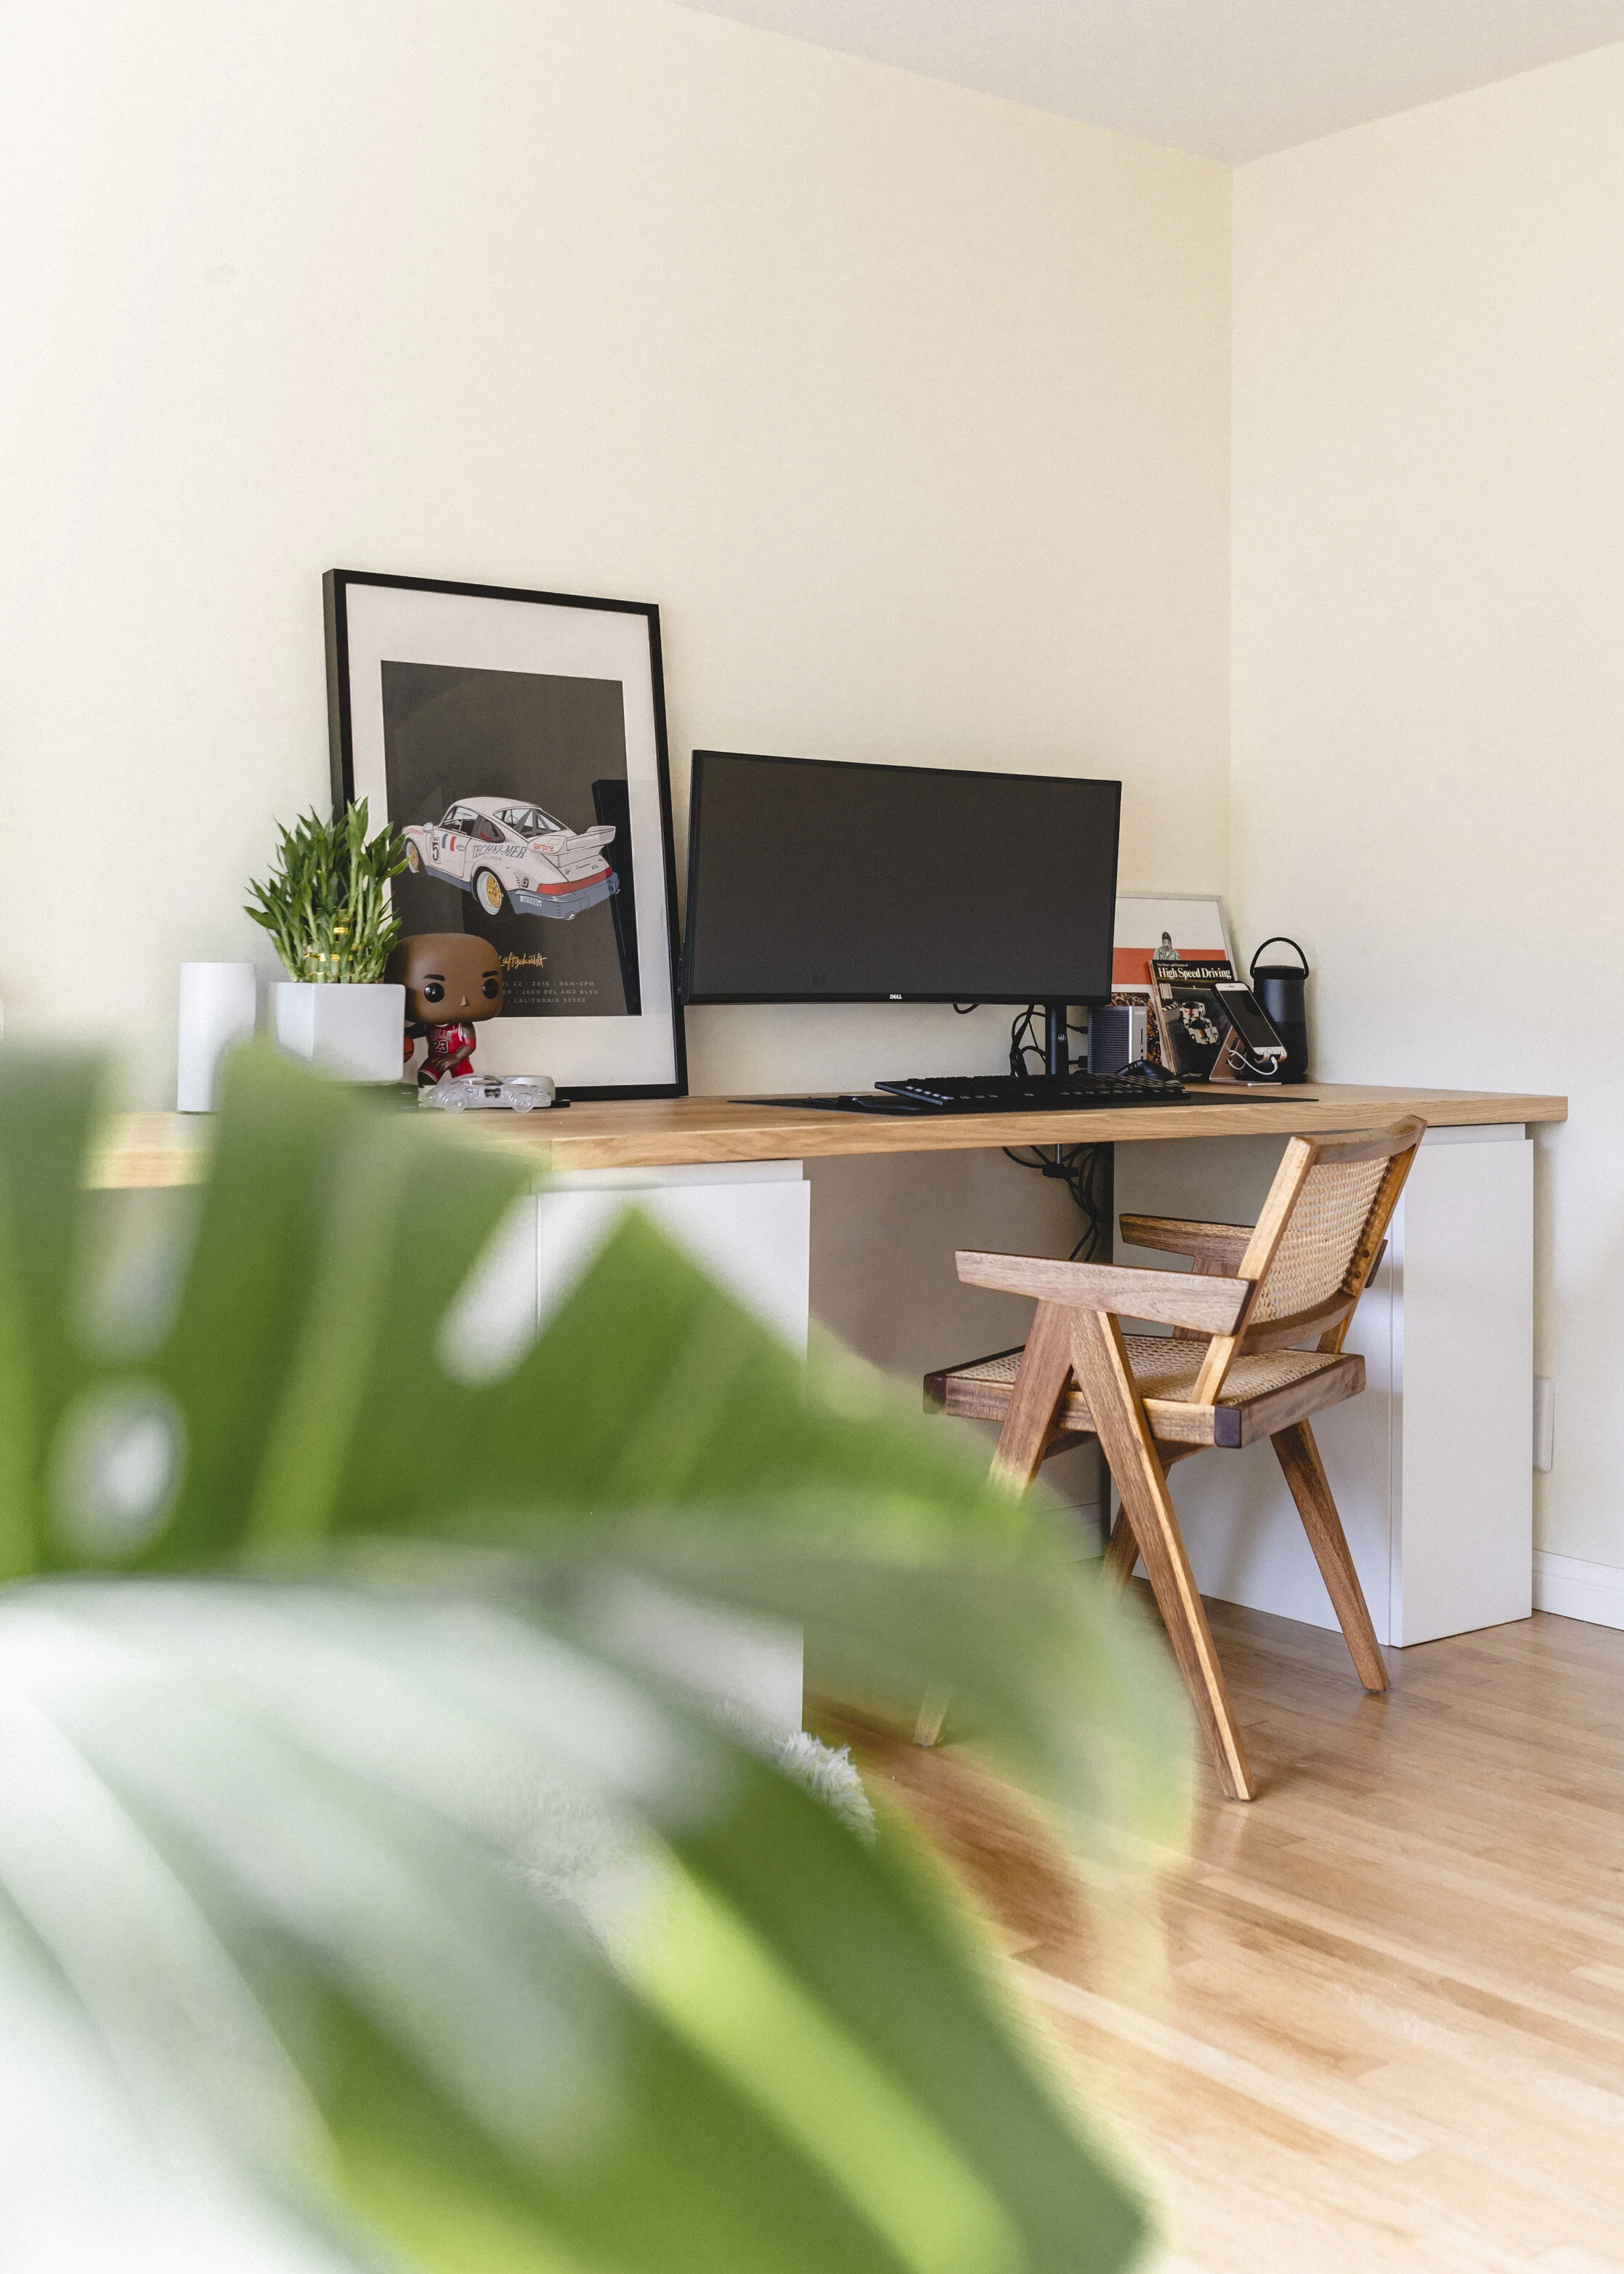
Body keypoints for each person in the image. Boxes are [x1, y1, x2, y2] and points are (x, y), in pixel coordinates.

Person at [386, 932, 503, 1086]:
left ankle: (467, 1101)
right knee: (425, 1078)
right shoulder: (431, 1023)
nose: (463, 1001)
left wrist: (454, 1058)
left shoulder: (463, 1026)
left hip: (458, 1060)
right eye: (435, 991)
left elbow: (469, 1045)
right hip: (435, 1058)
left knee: (465, 1083)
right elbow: (417, 1032)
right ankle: (427, 1100)